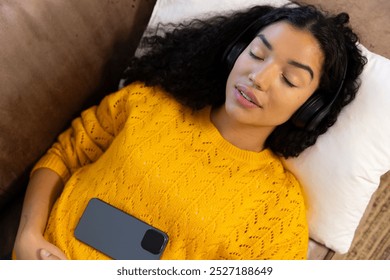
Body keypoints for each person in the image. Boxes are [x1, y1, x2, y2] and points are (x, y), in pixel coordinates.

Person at [13, 2, 366, 260]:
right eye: (257, 54)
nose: (258, 78)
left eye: (290, 79)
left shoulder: (276, 210)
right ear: (234, 53)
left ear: (311, 106)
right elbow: (64, 154)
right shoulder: (146, 104)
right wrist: (27, 235)